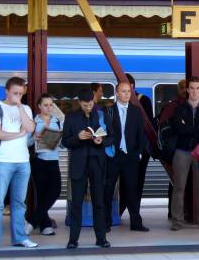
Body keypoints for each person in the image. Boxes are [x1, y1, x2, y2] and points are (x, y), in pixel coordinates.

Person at [0, 77, 38, 251]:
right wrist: (17, 134)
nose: (18, 96)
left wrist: (19, 108)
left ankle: (20, 238)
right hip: (2, 161)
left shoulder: (25, 108)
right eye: (15, 93)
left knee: (19, 203)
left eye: (21, 94)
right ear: (6, 91)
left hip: (23, 161)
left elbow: (30, 129)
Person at [62, 87, 113, 249]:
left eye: (90, 104)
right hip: (79, 164)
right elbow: (65, 141)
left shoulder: (101, 115)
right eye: (85, 105)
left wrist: (101, 141)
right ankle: (73, 239)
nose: (88, 108)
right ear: (79, 103)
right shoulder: (71, 118)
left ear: (94, 101)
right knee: (76, 203)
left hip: (97, 163)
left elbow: (112, 137)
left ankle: (101, 238)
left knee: (99, 202)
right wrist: (77, 138)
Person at [169, 76, 199, 231]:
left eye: (197, 88)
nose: (194, 91)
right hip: (182, 151)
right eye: (192, 88)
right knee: (179, 187)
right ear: (187, 90)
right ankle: (177, 221)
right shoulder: (179, 109)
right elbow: (178, 128)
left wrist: (187, 127)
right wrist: (197, 130)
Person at [103, 82, 150, 233]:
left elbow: (140, 133)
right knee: (108, 189)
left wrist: (141, 152)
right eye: (123, 91)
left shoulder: (136, 111)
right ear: (116, 93)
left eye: (128, 91)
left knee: (132, 190)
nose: (127, 94)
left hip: (131, 156)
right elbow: (104, 132)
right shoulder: (108, 111)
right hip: (113, 155)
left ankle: (136, 222)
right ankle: (106, 222)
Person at [26, 93, 63, 236]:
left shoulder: (58, 121)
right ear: (39, 106)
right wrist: (33, 138)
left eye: (51, 105)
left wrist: (59, 141)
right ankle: (45, 225)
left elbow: (63, 145)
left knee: (56, 190)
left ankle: (32, 222)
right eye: (46, 105)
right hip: (38, 161)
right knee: (42, 194)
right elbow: (25, 143)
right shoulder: (33, 122)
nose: (49, 108)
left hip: (54, 160)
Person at [156, 78, 186, 219]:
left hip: (173, 151)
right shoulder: (178, 106)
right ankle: (179, 213)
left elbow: (162, 126)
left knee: (175, 182)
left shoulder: (169, 106)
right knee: (179, 183)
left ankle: (173, 213)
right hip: (180, 150)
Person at [124, 73, 153, 216]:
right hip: (127, 149)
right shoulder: (120, 104)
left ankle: (133, 212)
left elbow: (148, 126)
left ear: (132, 86)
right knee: (128, 181)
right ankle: (124, 210)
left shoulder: (143, 101)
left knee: (136, 181)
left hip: (140, 149)